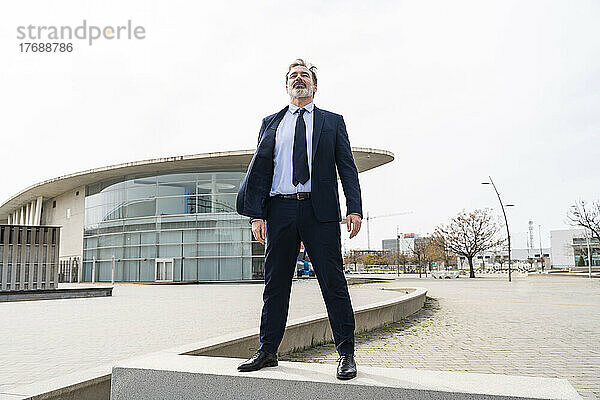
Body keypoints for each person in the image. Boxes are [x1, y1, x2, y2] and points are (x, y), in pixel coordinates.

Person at [236, 58, 363, 380]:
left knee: (333, 283)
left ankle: (346, 354)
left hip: (318, 210)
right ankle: (267, 351)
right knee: (275, 284)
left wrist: (355, 208)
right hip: (279, 209)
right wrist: (257, 214)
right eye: (293, 76)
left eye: (305, 75)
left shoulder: (332, 122)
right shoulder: (271, 122)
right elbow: (262, 170)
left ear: (315, 85)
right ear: (287, 85)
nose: (299, 79)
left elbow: (346, 167)